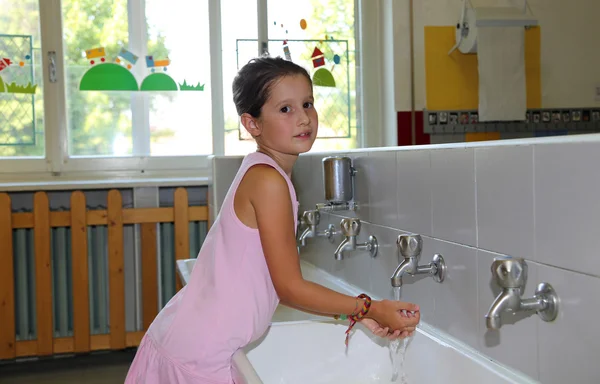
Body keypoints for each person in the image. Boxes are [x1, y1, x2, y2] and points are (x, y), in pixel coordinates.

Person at [124, 55, 420, 384]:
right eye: (285, 109)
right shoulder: (269, 182)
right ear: (252, 124)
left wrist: (352, 314)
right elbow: (290, 287)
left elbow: (270, 282)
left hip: (189, 340)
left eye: (307, 103)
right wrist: (371, 307)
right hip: (199, 354)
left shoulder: (262, 171)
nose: (304, 118)